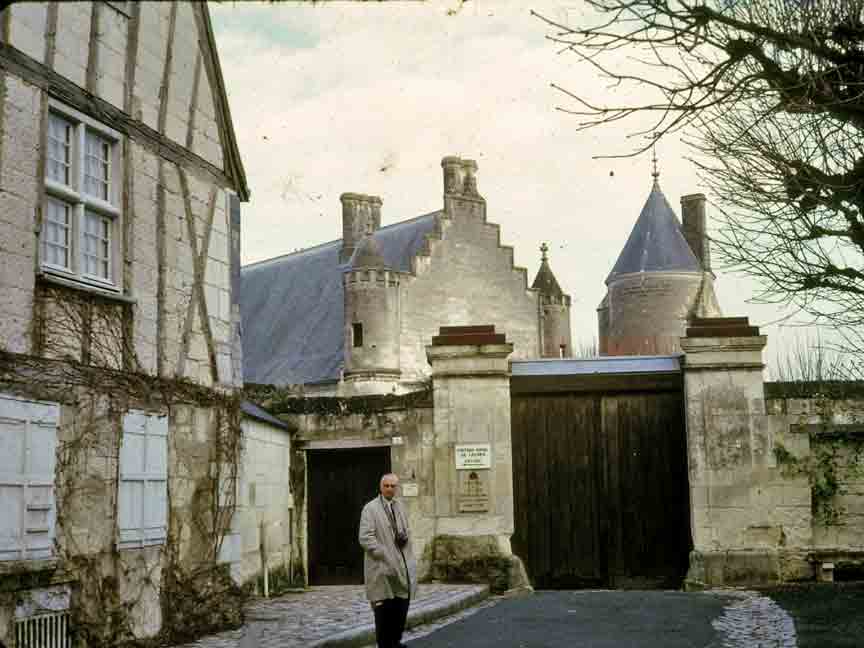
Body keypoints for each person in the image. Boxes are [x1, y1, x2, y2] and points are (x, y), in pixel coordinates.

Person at [359, 472, 418, 648]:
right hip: (382, 568)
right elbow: (365, 537)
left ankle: (395, 642)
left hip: (401, 566)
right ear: (381, 487)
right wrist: (384, 553)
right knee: (384, 612)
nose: (390, 489)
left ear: (397, 488)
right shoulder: (370, 509)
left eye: (393, 486)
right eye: (387, 486)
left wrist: (404, 536)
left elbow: (406, 528)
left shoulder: (400, 506)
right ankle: (386, 645)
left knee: (401, 607)